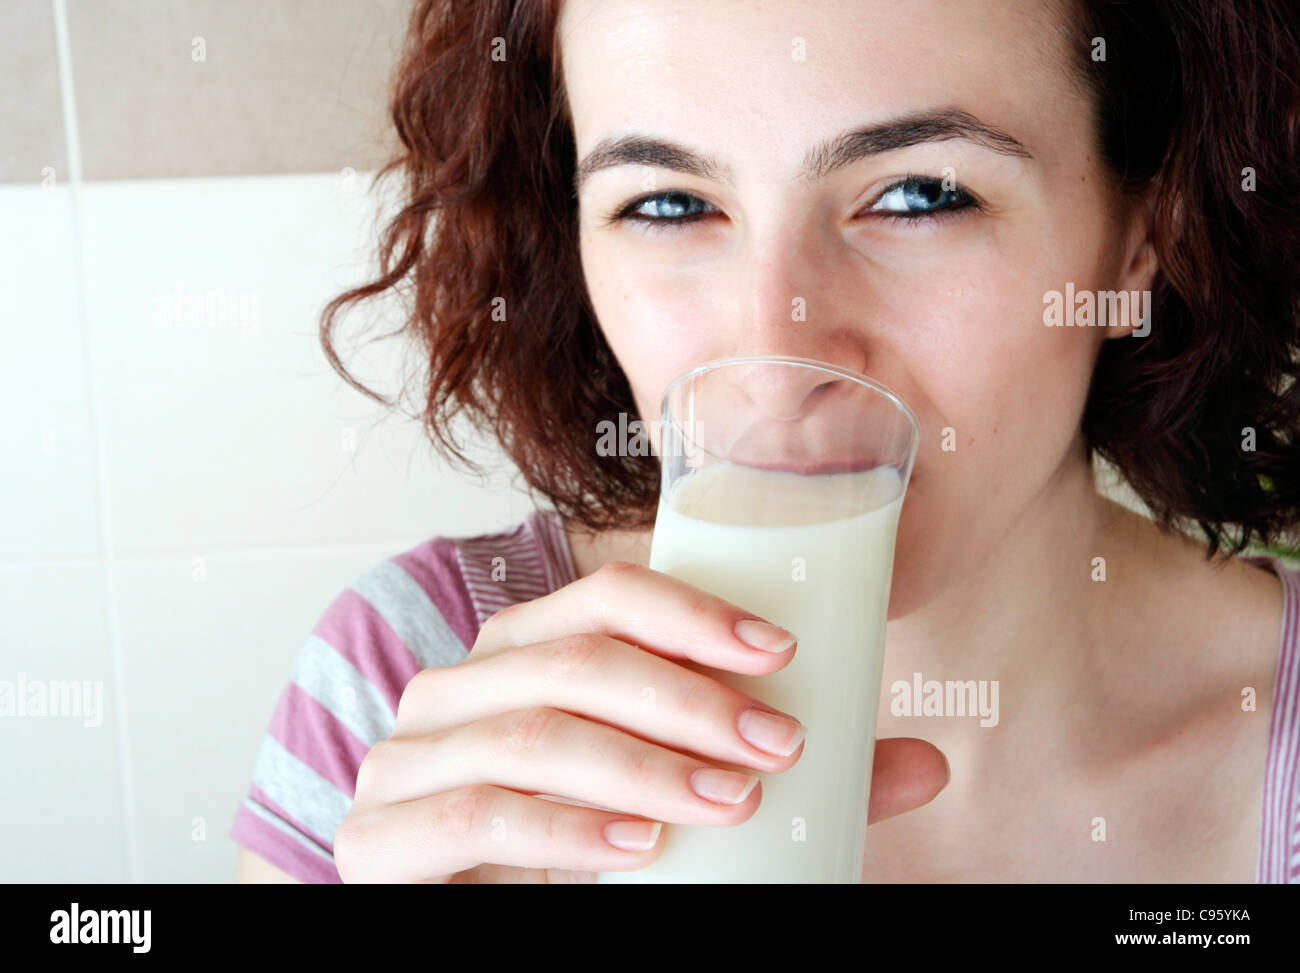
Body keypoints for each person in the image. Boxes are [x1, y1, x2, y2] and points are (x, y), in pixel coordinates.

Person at [232, 0, 1300, 883]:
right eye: (665, 203)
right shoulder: (410, 685)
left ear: (1139, 240)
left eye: (919, 196)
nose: (776, 350)